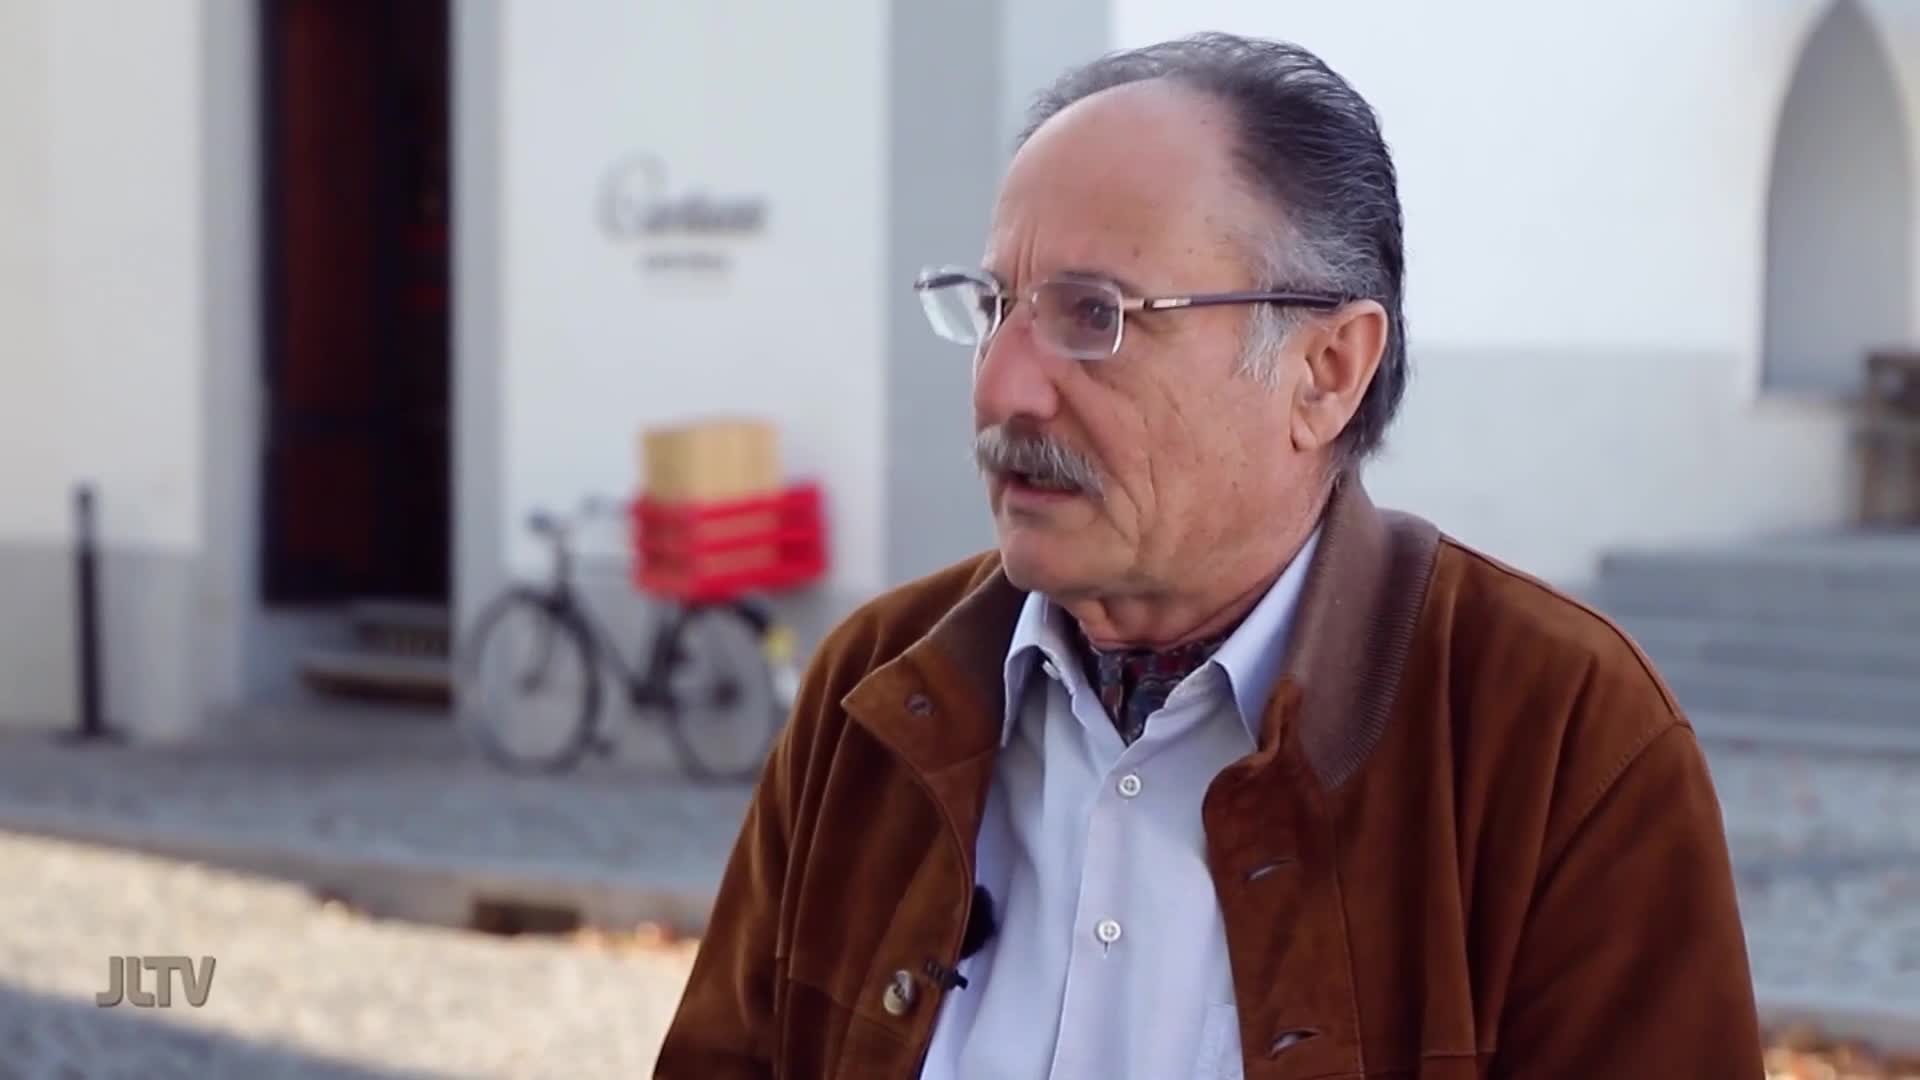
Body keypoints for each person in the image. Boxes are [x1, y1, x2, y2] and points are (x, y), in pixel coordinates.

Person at [655, 31, 1763, 1080]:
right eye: (994, 307)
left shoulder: (1560, 736)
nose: (1003, 386)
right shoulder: (879, 692)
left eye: (1096, 315)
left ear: (1327, 370)